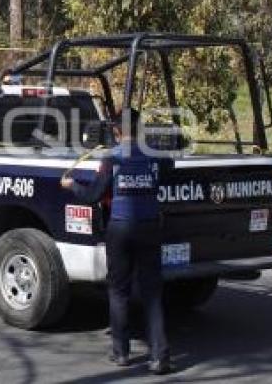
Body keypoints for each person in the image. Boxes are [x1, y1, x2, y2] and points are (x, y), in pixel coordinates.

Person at [62, 108, 170, 375]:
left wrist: (71, 185)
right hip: (149, 227)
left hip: (120, 229)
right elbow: (169, 167)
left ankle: (121, 353)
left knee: (119, 291)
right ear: (140, 129)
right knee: (152, 293)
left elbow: (93, 196)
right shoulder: (155, 155)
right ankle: (159, 357)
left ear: (116, 131)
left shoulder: (112, 159)